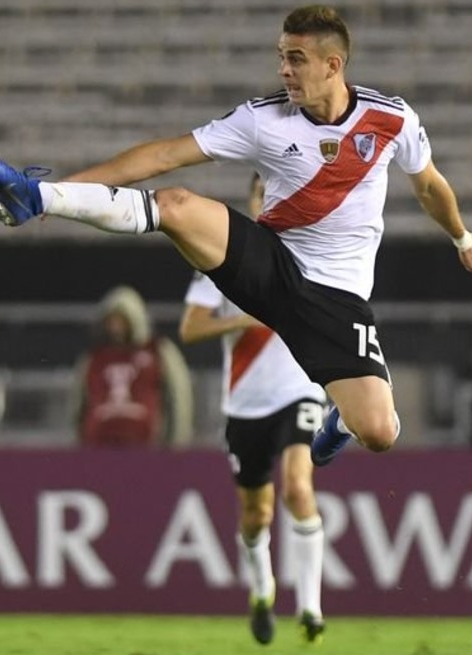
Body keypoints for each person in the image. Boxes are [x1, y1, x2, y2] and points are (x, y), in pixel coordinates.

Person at [0, 4, 472, 467]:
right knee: (174, 204)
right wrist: (65, 187)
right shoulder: (263, 119)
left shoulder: (391, 120)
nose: (284, 69)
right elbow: (163, 155)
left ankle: (341, 419)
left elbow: (428, 187)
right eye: (281, 57)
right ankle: (33, 197)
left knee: (379, 433)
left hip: (337, 299)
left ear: (333, 66)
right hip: (269, 265)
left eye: (296, 59)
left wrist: (462, 238)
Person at [180, 173, 326, 645]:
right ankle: (262, 591)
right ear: (252, 198)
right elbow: (191, 329)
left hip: (300, 390)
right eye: (264, 191)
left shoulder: (318, 251)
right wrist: (247, 314)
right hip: (245, 404)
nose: (272, 198)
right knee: (256, 515)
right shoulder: (223, 256)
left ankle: (310, 607)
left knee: (299, 489)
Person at [74, 285, 193, 448]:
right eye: (111, 321)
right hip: (98, 444)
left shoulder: (158, 352)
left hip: (146, 444)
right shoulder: (95, 357)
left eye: (121, 321)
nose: (115, 327)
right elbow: (78, 400)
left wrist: (177, 440)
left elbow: (179, 394)